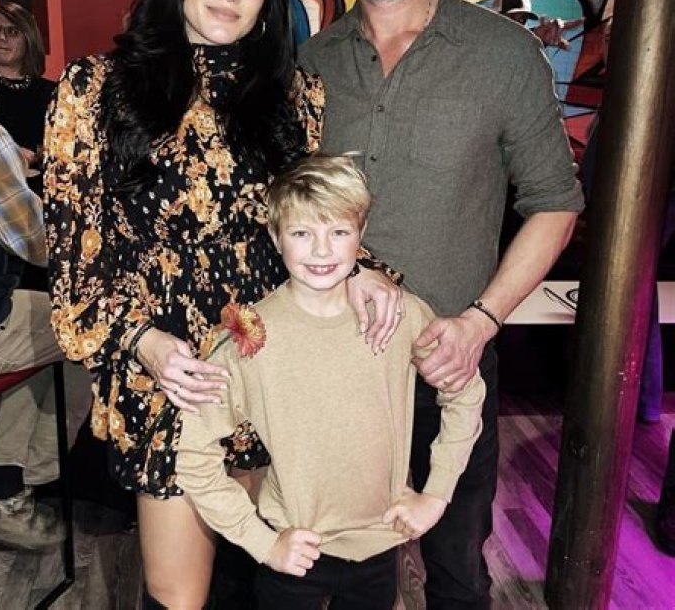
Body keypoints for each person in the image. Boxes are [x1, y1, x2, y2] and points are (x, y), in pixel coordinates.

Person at [43, 0, 401, 609]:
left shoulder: (295, 96)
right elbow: (76, 270)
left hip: (269, 366)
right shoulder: (94, 90)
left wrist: (361, 271)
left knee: (265, 575)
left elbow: (304, 222)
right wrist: (144, 344)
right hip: (172, 380)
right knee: (180, 595)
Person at [298, 0, 584, 608]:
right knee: (341, 567)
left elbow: (556, 203)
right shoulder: (310, 63)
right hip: (330, 368)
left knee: (457, 568)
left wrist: (480, 323)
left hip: (448, 363)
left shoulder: (504, 55)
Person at [177, 154, 485, 610]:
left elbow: (466, 390)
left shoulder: (399, 316)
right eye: (302, 233)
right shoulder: (248, 338)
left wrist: (437, 494)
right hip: (292, 552)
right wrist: (262, 542)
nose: (321, 251)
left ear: (361, 233)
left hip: (381, 547)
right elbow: (192, 453)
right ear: (275, 236)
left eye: (338, 232)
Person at [0, 10, 91, 549]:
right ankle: (14, 485)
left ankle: (3, 476)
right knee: (88, 328)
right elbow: (38, 242)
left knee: (37, 318)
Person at [0, 2, 54, 171]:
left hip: (38, 184)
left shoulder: (53, 93)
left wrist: (39, 156)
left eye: (12, 31)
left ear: (29, 40)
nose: (1, 37)